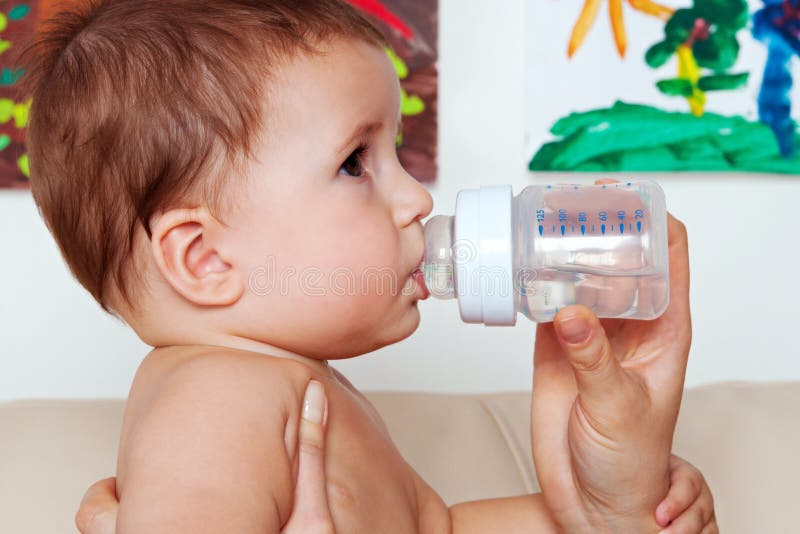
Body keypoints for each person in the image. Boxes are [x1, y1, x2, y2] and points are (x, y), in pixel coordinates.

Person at [16, 0, 716, 531]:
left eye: (398, 155)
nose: (415, 199)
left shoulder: (302, 390)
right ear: (204, 259)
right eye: (356, 162)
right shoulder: (212, 401)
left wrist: (605, 513)